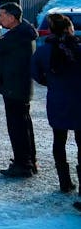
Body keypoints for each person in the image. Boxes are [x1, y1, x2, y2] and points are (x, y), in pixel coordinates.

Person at [31, 13, 81, 207]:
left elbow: (35, 73)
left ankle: (64, 182)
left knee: (58, 142)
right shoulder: (78, 48)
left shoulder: (44, 51)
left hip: (58, 101)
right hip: (79, 101)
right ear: (70, 29)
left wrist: (51, 82)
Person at [0, 2, 39, 178]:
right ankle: (28, 160)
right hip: (18, 86)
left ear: (11, 17)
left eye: (1, 15)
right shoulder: (22, 32)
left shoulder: (18, 35)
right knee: (23, 125)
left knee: (17, 127)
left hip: (15, 87)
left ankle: (23, 164)